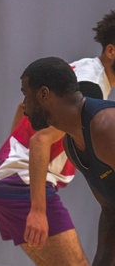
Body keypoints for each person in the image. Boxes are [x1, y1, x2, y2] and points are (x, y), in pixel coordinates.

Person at [0, 11, 115, 265]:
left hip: (11, 176)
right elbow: (40, 141)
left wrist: (11, 153)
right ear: (111, 51)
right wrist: (38, 208)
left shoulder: (83, 69)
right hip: (21, 182)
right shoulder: (91, 89)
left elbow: (22, 109)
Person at [20, 56, 115, 266]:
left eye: (26, 96)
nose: (24, 107)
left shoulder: (105, 126)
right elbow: (110, 211)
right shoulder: (71, 146)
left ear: (44, 94)